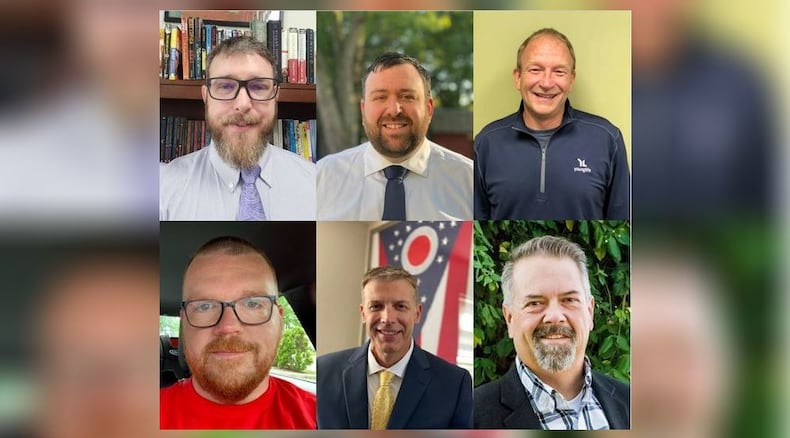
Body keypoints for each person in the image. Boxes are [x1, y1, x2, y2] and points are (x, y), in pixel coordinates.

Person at [473, 235, 629, 429]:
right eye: (534, 303)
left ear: (589, 312)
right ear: (509, 318)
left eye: (569, 300)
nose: (555, 316)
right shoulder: (471, 416)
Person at [160, 236, 316, 429]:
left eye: (252, 304)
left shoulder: (326, 417)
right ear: (184, 323)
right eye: (205, 306)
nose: (228, 327)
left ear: (280, 322)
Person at [474, 28, 630, 220]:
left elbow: (626, 225)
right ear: (518, 77)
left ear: (571, 80)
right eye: (535, 70)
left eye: (559, 72)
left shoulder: (607, 140)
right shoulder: (486, 144)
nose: (546, 83)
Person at [160, 37, 315, 221]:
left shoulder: (317, 185)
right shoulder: (163, 190)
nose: (243, 104)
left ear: (275, 96)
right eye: (225, 86)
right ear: (206, 96)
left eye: (258, 87)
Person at [316, 52, 472, 221]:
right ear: (363, 110)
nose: (394, 110)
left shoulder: (471, 181)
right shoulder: (322, 177)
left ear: (429, 109)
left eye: (407, 97)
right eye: (380, 97)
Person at [317, 266, 472, 429]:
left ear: (417, 313)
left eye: (400, 306)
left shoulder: (454, 384)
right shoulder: (323, 372)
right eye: (376, 306)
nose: (388, 318)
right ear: (363, 313)